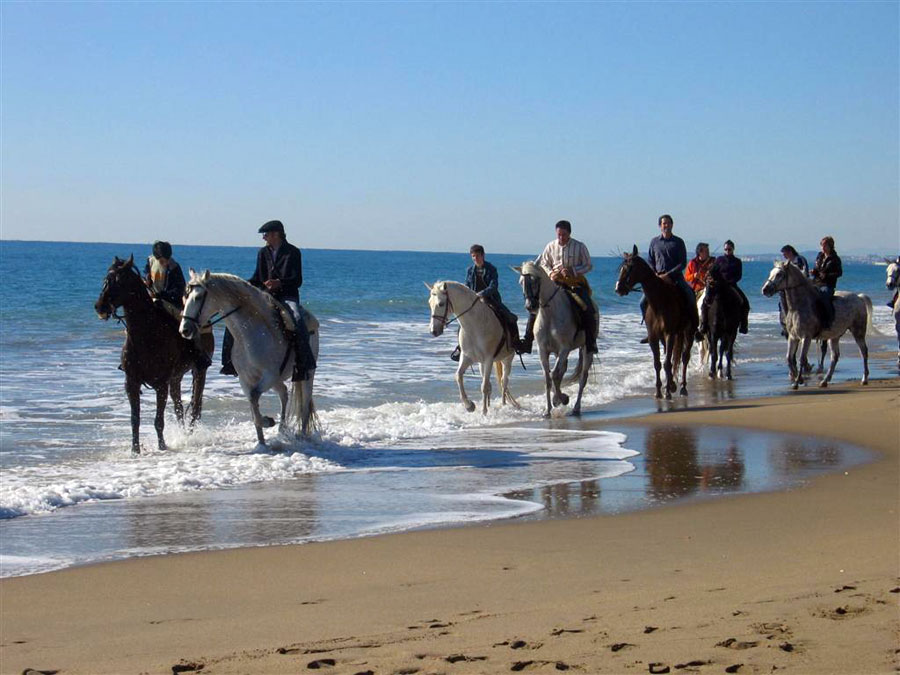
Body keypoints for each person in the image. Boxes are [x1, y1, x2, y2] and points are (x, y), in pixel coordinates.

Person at [220, 220, 314, 378]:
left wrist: (279, 283)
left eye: (266, 234)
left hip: (287, 296)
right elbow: (257, 277)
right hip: (265, 296)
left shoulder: (293, 252)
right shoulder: (262, 253)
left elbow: (297, 280)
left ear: (276, 234)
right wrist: (241, 285)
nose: (264, 238)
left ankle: (303, 364)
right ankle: (229, 363)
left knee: (297, 319)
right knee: (233, 317)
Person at [521, 220, 597, 354]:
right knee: (535, 307)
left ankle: (590, 342)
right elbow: (544, 263)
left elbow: (588, 265)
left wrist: (572, 270)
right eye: (559, 235)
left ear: (569, 233)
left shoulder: (579, 246)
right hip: (554, 282)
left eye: (564, 234)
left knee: (587, 308)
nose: (561, 237)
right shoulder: (550, 246)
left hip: (574, 282)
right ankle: (528, 340)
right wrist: (551, 273)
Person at [144, 241, 211, 369]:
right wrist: (146, 278)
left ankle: (197, 353)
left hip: (170, 302)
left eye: (167, 259)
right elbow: (146, 271)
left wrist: (161, 295)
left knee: (185, 323)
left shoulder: (174, 267)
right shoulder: (150, 261)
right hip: (152, 300)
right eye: (163, 260)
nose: (166, 262)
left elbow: (179, 290)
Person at [450, 245, 523, 361]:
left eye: (477, 256)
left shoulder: (491, 269)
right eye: (473, 256)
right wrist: (469, 297)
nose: (475, 258)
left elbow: (494, 286)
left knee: (510, 317)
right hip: (473, 302)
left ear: (483, 255)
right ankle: (460, 348)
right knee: (462, 324)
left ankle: (516, 343)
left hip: (491, 299)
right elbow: (467, 287)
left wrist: (481, 294)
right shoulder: (470, 270)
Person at [641, 214, 695, 343]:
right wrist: (655, 273)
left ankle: (694, 327)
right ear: (660, 226)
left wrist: (668, 275)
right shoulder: (654, 242)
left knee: (690, 295)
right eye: (664, 223)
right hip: (657, 278)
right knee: (642, 302)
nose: (666, 226)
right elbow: (650, 260)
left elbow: (682, 263)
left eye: (668, 223)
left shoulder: (678, 242)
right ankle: (650, 332)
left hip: (675, 278)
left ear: (672, 225)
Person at [698, 239, 750, 337]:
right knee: (706, 301)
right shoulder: (719, 260)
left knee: (745, 302)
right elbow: (712, 271)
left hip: (731, 285)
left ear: (733, 249)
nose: (727, 251)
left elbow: (738, 276)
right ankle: (703, 325)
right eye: (726, 249)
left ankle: (743, 325)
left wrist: (728, 282)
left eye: (729, 249)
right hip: (718, 285)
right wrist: (709, 275)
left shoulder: (737, 261)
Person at [810, 236, 843, 329]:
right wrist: (814, 272)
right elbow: (817, 269)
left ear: (830, 246)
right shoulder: (819, 256)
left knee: (823, 297)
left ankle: (828, 320)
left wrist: (827, 275)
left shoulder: (835, 259)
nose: (823, 248)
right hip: (816, 282)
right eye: (822, 245)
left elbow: (839, 273)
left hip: (828, 285)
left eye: (825, 245)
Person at [778, 244, 810, 337]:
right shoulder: (786, 263)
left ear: (790, 252)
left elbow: (804, 273)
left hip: (800, 286)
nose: (784, 256)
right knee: (781, 301)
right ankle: (785, 325)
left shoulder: (800, 259)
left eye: (785, 253)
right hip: (789, 287)